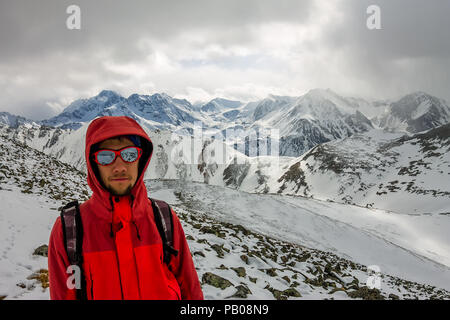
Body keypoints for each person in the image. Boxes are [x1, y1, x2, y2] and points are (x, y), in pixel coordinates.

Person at [48, 116, 204, 300]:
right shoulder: (69, 231)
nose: (119, 167)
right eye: (106, 157)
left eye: (129, 154)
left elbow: (190, 290)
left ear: (141, 159)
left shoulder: (164, 219)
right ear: (93, 164)